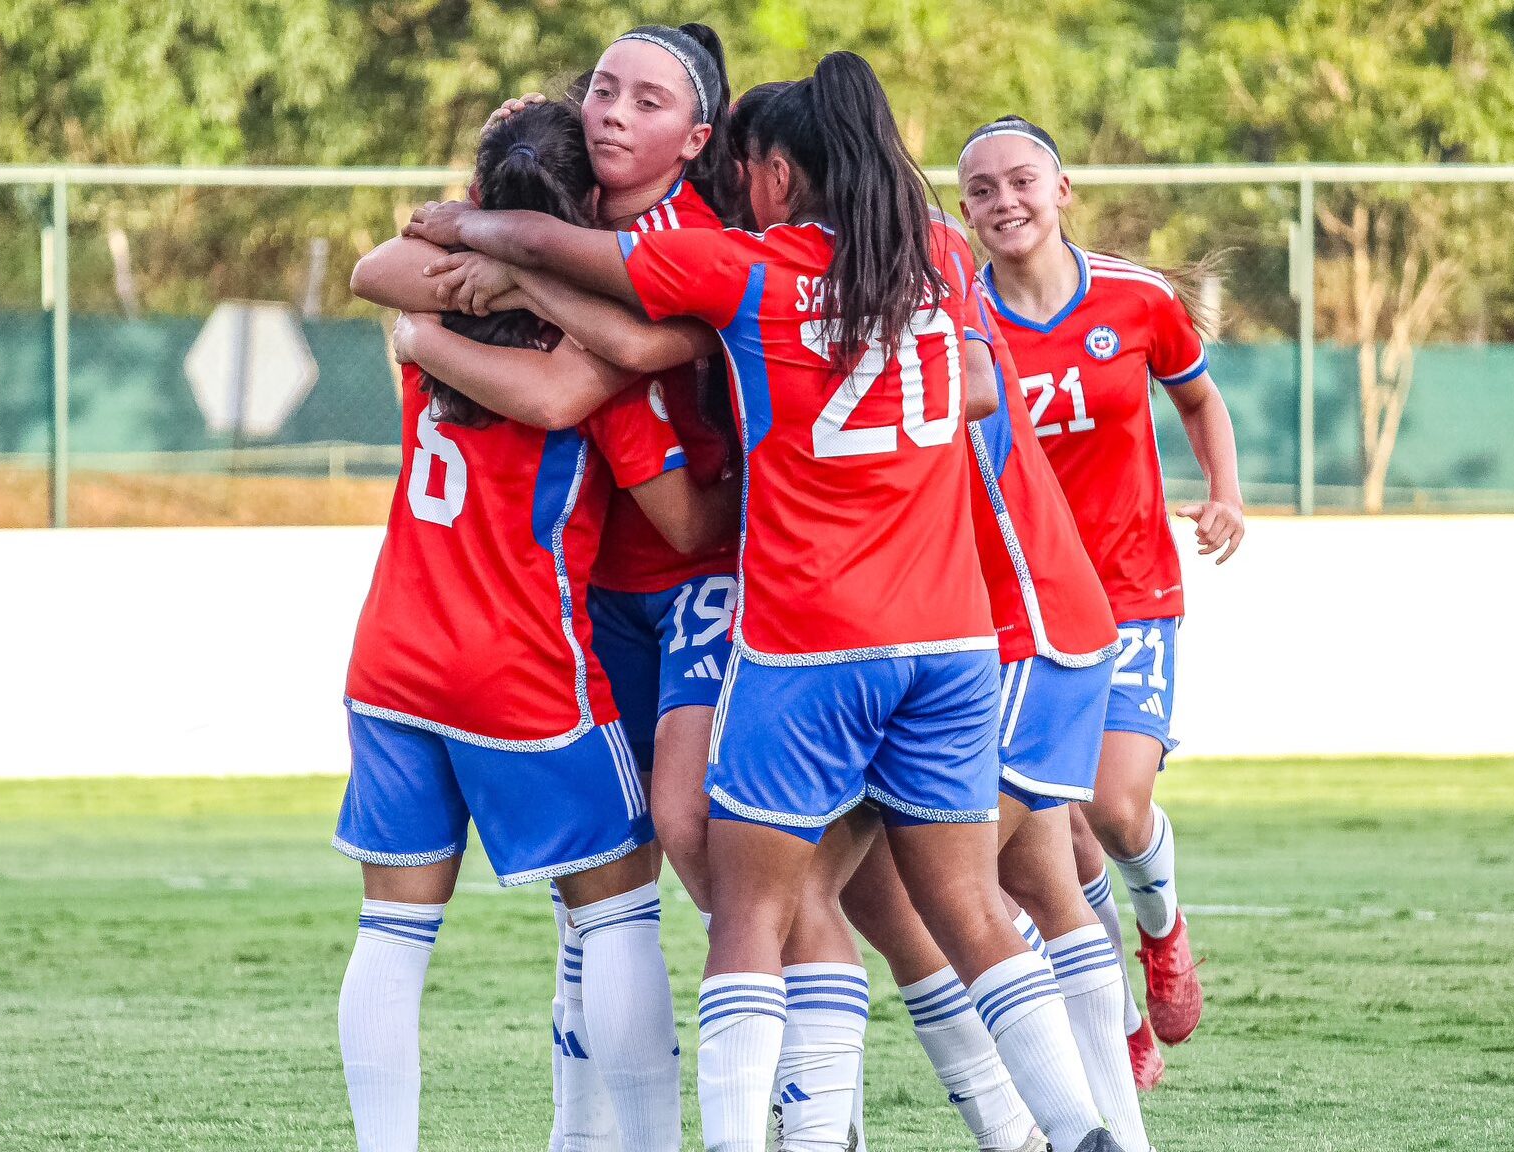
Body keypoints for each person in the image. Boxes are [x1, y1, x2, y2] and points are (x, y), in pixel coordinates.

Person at [406, 55, 1125, 1152]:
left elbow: (578, 273)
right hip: (949, 644)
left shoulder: (746, 268)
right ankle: (1076, 1130)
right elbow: (980, 384)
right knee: (970, 911)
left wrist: (483, 240)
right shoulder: (934, 251)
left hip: (808, 646)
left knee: (747, 914)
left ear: (776, 172)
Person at [354, 25, 740, 1150]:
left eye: (641, 97)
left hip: (389, 651)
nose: (614, 112)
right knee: (616, 908)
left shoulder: (451, 312)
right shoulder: (571, 348)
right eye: (601, 97)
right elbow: (575, 392)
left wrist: (427, 333)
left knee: (390, 936)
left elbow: (383, 272)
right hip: (517, 652)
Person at [836, 215, 1153, 1152]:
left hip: (1019, 633)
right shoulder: (927, 264)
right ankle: (1104, 1133)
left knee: (885, 893)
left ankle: (1025, 1132)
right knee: (1035, 884)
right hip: (1011, 629)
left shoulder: (878, 283)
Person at [957, 116, 1247, 1083]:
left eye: (1022, 181)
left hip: (1129, 590)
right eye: (983, 190)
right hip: (1014, 603)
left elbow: (1199, 399)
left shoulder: (1137, 299)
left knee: (1116, 809)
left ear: (1064, 188)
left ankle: (1163, 930)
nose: (1006, 201)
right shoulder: (961, 321)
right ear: (966, 212)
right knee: (1046, 830)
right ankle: (1116, 1014)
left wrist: (1226, 497)